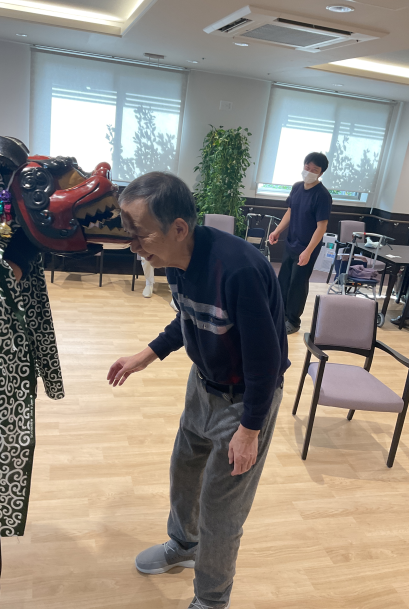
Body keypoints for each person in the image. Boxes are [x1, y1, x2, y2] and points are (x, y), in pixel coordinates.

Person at [108, 172, 289, 609]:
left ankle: (211, 600)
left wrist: (250, 430)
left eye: (139, 234)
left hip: (246, 400)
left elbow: (265, 362)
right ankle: (184, 545)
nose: (133, 245)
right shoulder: (176, 259)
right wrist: (145, 355)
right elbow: (188, 316)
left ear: (178, 228)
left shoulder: (239, 269)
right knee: (184, 474)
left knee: (221, 512)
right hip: (203, 385)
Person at [269, 152, 332, 335]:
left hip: (307, 247)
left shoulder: (322, 195)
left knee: (297, 283)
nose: (309, 171)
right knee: (284, 280)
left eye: (315, 169)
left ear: (321, 173)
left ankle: (293, 321)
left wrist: (308, 251)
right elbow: (290, 212)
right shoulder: (297, 187)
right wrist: (277, 231)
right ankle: (281, 315)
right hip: (291, 243)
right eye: (307, 167)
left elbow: (322, 227)